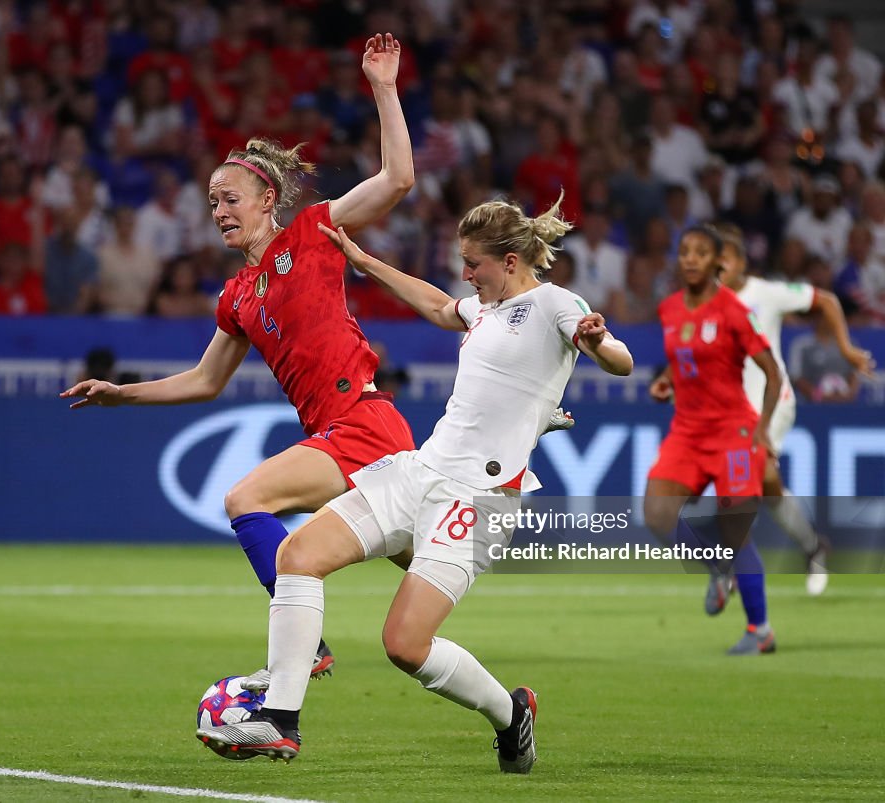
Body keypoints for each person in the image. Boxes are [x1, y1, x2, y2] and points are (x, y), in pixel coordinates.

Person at [195, 193, 633, 770]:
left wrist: (600, 343)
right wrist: (363, 259)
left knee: (404, 645)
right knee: (297, 555)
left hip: (480, 500)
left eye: (473, 263)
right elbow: (436, 304)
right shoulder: (484, 310)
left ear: (508, 261)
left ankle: (511, 713)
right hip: (420, 471)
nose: (466, 273)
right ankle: (280, 719)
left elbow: (621, 360)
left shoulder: (553, 303)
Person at [60, 33, 416, 686]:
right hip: (341, 437)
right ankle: (511, 709)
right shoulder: (236, 296)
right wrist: (122, 393)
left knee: (245, 496)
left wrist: (384, 88)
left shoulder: (313, 232)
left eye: (230, 199)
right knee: (425, 594)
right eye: (212, 203)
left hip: (362, 421)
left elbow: (397, 180)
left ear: (266, 203)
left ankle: (304, 650)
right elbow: (205, 379)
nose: (219, 211)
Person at [715, 222, 875, 595]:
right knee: (768, 486)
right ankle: (814, 545)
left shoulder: (767, 293)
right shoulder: (708, 302)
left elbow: (828, 301)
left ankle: (735, 565)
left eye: (722, 261)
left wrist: (847, 349)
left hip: (774, 402)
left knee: (747, 474)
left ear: (740, 262)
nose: (716, 270)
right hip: (732, 411)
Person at [645, 225, 782, 656]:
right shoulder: (669, 309)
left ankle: (760, 630)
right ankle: (715, 563)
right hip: (687, 430)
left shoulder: (734, 311)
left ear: (717, 261)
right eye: (684, 251)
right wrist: (667, 380)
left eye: (700, 253)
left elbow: (773, 374)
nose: (689, 259)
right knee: (656, 513)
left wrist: (762, 430)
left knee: (736, 529)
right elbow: (684, 356)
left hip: (733, 434)